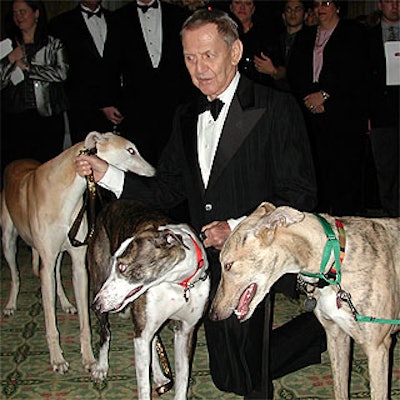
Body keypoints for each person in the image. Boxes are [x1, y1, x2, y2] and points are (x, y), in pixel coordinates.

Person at [76, 9, 326, 399]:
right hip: (206, 264)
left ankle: (313, 330)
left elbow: (299, 195)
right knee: (226, 376)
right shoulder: (186, 114)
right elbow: (167, 189)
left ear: (235, 51)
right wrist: (106, 171)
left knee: (250, 381)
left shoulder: (276, 108)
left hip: (253, 256)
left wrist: (238, 226)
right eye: (190, 58)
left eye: (208, 55)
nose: (199, 68)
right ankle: (313, 332)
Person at [288, 0, 369, 216]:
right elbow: (294, 74)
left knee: (346, 179)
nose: (320, 8)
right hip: (311, 116)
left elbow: (357, 75)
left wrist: (325, 97)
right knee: (317, 177)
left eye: (326, 2)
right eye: (317, 4)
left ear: (337, 6)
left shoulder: (354, 32)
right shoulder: (305, 36)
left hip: (344, 115)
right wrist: (309, 100)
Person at [98, 0, 194, 166]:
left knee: (176, 156)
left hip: (174, 101)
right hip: (137, 104)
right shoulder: (119, 17)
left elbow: (189, 56)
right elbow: (111, 62)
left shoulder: (178, 14)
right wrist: (107, 101)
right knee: (141, 159)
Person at [0, 0, 68, 171]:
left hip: (47, 118)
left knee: (47, 170)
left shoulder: (53, 44)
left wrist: (28, 68)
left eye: (23, 11)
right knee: (16, 170)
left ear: (36, 13)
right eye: (15, 13)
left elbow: (61, 73)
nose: (18, 17)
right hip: (16, 119)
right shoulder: (7, 44)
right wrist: (10, 59)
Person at [48, 0, 114, 144]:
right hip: (81, 107)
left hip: (115, 104)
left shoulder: (116, 18)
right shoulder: (60, 24)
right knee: (85, 156)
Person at [367, 0, 399, 217]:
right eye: (389, 0)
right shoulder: (367, 37)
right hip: (381, 114)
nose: (395, 5)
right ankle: (391, 216)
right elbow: (363, 80)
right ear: (379, 4)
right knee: (385, 170)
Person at [254, 0, 308, 92]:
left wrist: (275, 71)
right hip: (278, 92)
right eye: (289, 10)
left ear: (305, 15)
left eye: (297, 9)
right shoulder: (274, 39)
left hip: (302, 93)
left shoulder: (311, 39)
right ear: (283, 15)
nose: (293, 13)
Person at [228, 0, 279, 88]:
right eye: (237, 2)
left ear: (253, 9)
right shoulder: (222, 35)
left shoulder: (267, 35)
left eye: (248, 3)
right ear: (231, 7)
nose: (242, 7)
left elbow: (284, 70)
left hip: (260, 91)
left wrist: (273, 71)